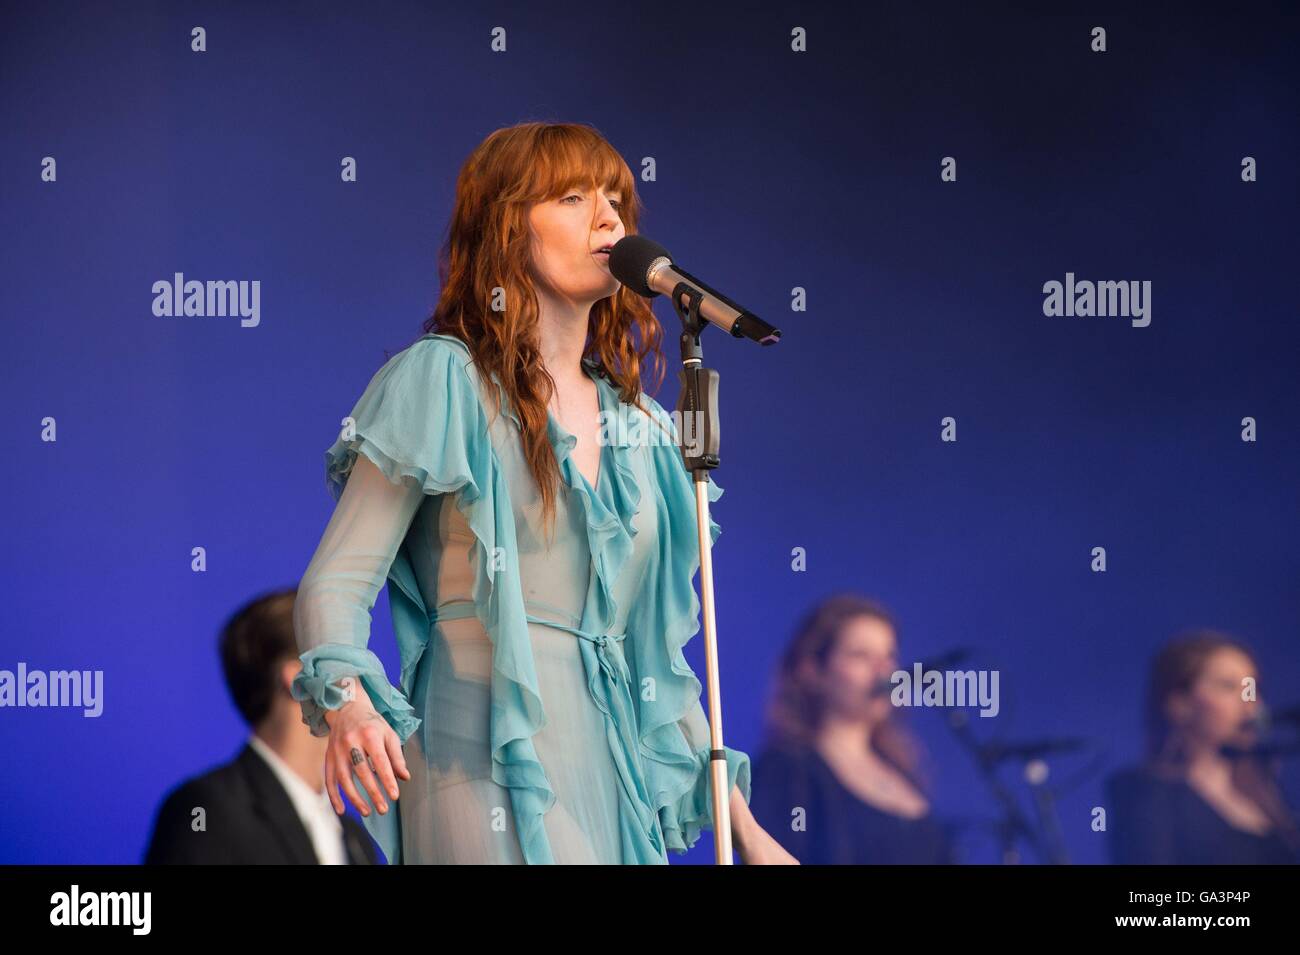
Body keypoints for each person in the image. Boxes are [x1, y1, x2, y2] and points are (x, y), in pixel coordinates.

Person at [289, 121, 795, 864]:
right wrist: (350, 703)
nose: (609, 218)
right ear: (504, 226)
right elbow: (335, 580)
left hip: (609, 761)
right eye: (572, 195)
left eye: (617, 200)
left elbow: (656, 668)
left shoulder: (647, 431)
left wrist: (745, 832)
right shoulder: (445, 381)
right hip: (477, 747)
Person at [145, 589, 379, 864]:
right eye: (345, 664)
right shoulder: (206, 810)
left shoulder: (355, 839)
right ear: (300, 681)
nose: (365, 682)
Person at [749, 594, 954, 863]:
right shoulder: (788, 769)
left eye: (889, 656)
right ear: (813, 670)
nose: (884, 671)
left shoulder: (903, 772)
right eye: (861, 656)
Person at [1106, 630, 1300, 864]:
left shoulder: (1264, 791)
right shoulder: (1146, 791)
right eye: (1228, 686)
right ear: (1179, 703)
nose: (1250, 703)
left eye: (1252, 688)